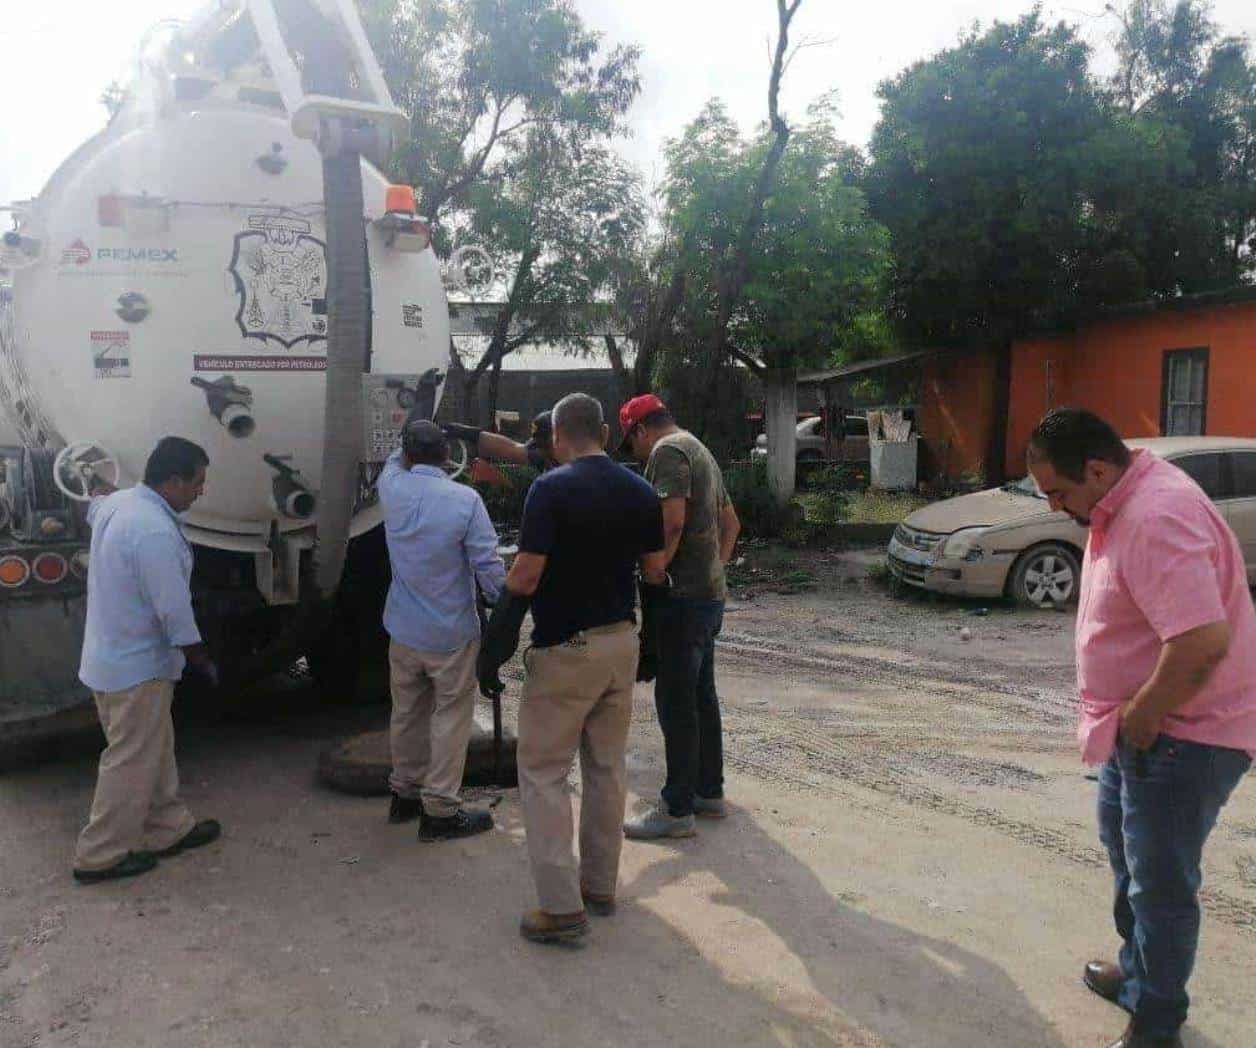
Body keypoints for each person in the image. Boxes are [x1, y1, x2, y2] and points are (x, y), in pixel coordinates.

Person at [1026, 408, 1255, 1048]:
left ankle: (1156, 1023)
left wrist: (1146, 713)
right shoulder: (1122, 500)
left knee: (1161, 883)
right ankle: (1136, 974)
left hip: (1184, 733)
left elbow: (1203, 639)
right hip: (1145, 728)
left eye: (1059, 492)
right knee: (1130, 860)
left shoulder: (1156, 518)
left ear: (1098, 469)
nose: (1054, 507)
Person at [477, 393, 667, 945]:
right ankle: (600, 887)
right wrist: (651, 644)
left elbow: (527, 575)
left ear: (558, 436)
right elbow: (654, 574)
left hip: (566, 653)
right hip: (620, 643)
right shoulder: (639, 490)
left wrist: (495, 645)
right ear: (605, 432)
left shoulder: (550, 489)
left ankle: (560, 909)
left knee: (542, 773)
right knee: (607, 768)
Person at [73, 437, 221, 884]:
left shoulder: (120, 505)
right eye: (197, 483)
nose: (201, 491)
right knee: (131, 757)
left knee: (153, 745)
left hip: (110, 657)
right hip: (136, 666)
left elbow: (93, 505)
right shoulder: (153, 530)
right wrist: (199, 656)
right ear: (172, 481)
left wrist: (94, 483)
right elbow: (173, 608)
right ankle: (99, 855)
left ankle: (166, 827)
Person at [617, 394, 741, 840]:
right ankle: (709, 790)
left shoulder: (667, 453)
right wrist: (714, 570)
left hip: (682, 601)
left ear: (640, 430)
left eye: (630, 443)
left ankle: (676, 808)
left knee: (676, 701)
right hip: (708, 597)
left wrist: (656, 572)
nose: (634, 452)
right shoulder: (699, 448)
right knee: (701, 695)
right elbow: (732, 525)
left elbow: (670, 523)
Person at [378, 419, 506, 841]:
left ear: (409, 454)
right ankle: (439, 811)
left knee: (407, 714)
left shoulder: (391, 487)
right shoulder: (465, 500)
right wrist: (505, 606)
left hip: (403, 628)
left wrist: (415, 424)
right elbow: (488, 567)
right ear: (448, 456)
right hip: (451, 632)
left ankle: (405, 795)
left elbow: (396, 458)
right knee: (450, 719)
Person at [443, 410, 557, 473]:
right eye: (539, 446)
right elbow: (511, 450)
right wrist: (466, 433)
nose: (542, 452)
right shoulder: (547, 456)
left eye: (545, 446)